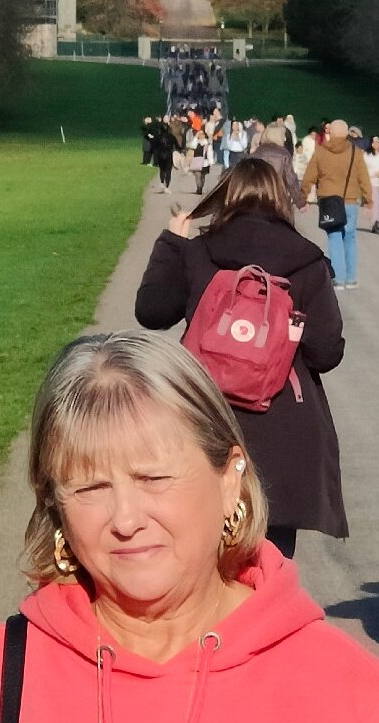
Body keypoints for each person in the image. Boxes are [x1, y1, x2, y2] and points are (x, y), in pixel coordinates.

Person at [0, 331, 379, 723]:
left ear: (229, 479)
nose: (126, 520)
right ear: (55, 505)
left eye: (153, 478)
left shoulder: (348, 693)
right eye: (90, 488)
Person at [135, 158, 349, 559]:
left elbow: (152, 311)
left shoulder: (200, 252)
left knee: (209, 554)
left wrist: (171, 244)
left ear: (226, 196)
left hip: (207, 414)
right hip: (281, 425)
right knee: (271, 559)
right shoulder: (307, 260)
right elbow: (326, 351)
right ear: (280, 199)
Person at [300, 119, 372, 291]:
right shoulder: (356, 153)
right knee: (350, 238)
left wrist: (303, 196)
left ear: (330, 133)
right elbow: (364, 178)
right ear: (347, 134)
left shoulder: (321, 152)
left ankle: (338, 279)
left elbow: (309, 176)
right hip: (350, 200)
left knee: (334, 238)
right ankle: (351, 278)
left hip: (329, 201)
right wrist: (369, 200)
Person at [253, 123, 306, 209]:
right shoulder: (283, 154)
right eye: (283, 135)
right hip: (279, 197)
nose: (284, 138)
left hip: (258, 198)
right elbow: (291, 180)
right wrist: (300, 202)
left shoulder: (257, 153)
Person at [363, 135, 379, 234]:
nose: (375, 144)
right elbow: (363, 168)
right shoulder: (367, 155)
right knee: (375, 203)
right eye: (373, 142)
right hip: (371, 182)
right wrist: (372, 174)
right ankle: (376, 223)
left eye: (377, 142)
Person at [188, 129, 213, 195]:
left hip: (205, 162)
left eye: (202, 134)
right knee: (197, 175)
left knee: (202, 176)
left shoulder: (207, 144)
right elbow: (191, 146)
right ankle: (199, 188)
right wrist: (195, 137)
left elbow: (210, 153)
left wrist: (211, 162)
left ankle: (200, 187)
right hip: (196, 161)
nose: (201, 135)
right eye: (199, 134)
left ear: (204, 135)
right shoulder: (196, 142)